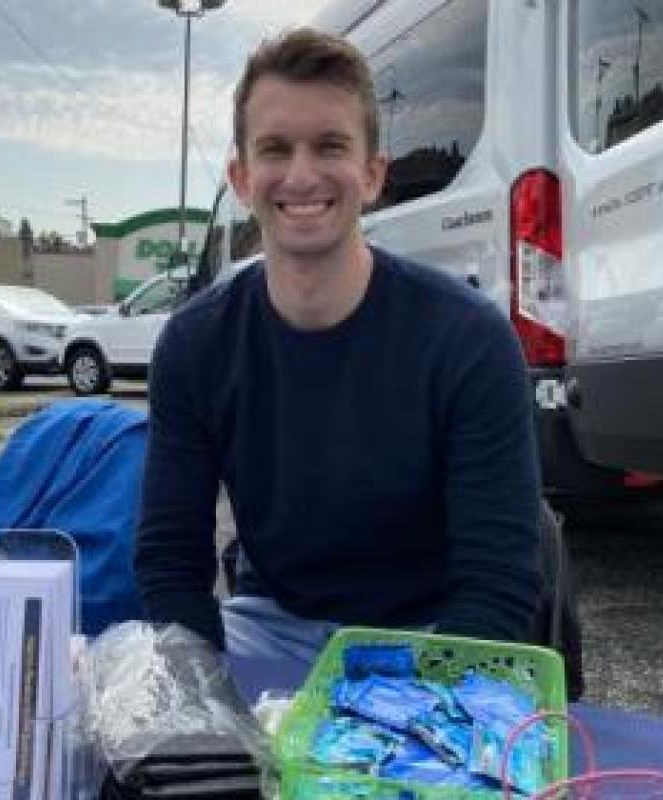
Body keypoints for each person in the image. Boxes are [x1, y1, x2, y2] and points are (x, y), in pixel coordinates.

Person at [136, 28, 542, 700]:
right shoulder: (193, 344)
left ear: (373, 173)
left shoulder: (470, 340)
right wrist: (206, 718)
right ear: (241, 177)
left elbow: (499, 585)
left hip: (435, 632)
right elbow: (170, 564)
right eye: (274, 149)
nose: (300, 176)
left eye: (330, 146)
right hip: (271, 625)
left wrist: (396, 718)